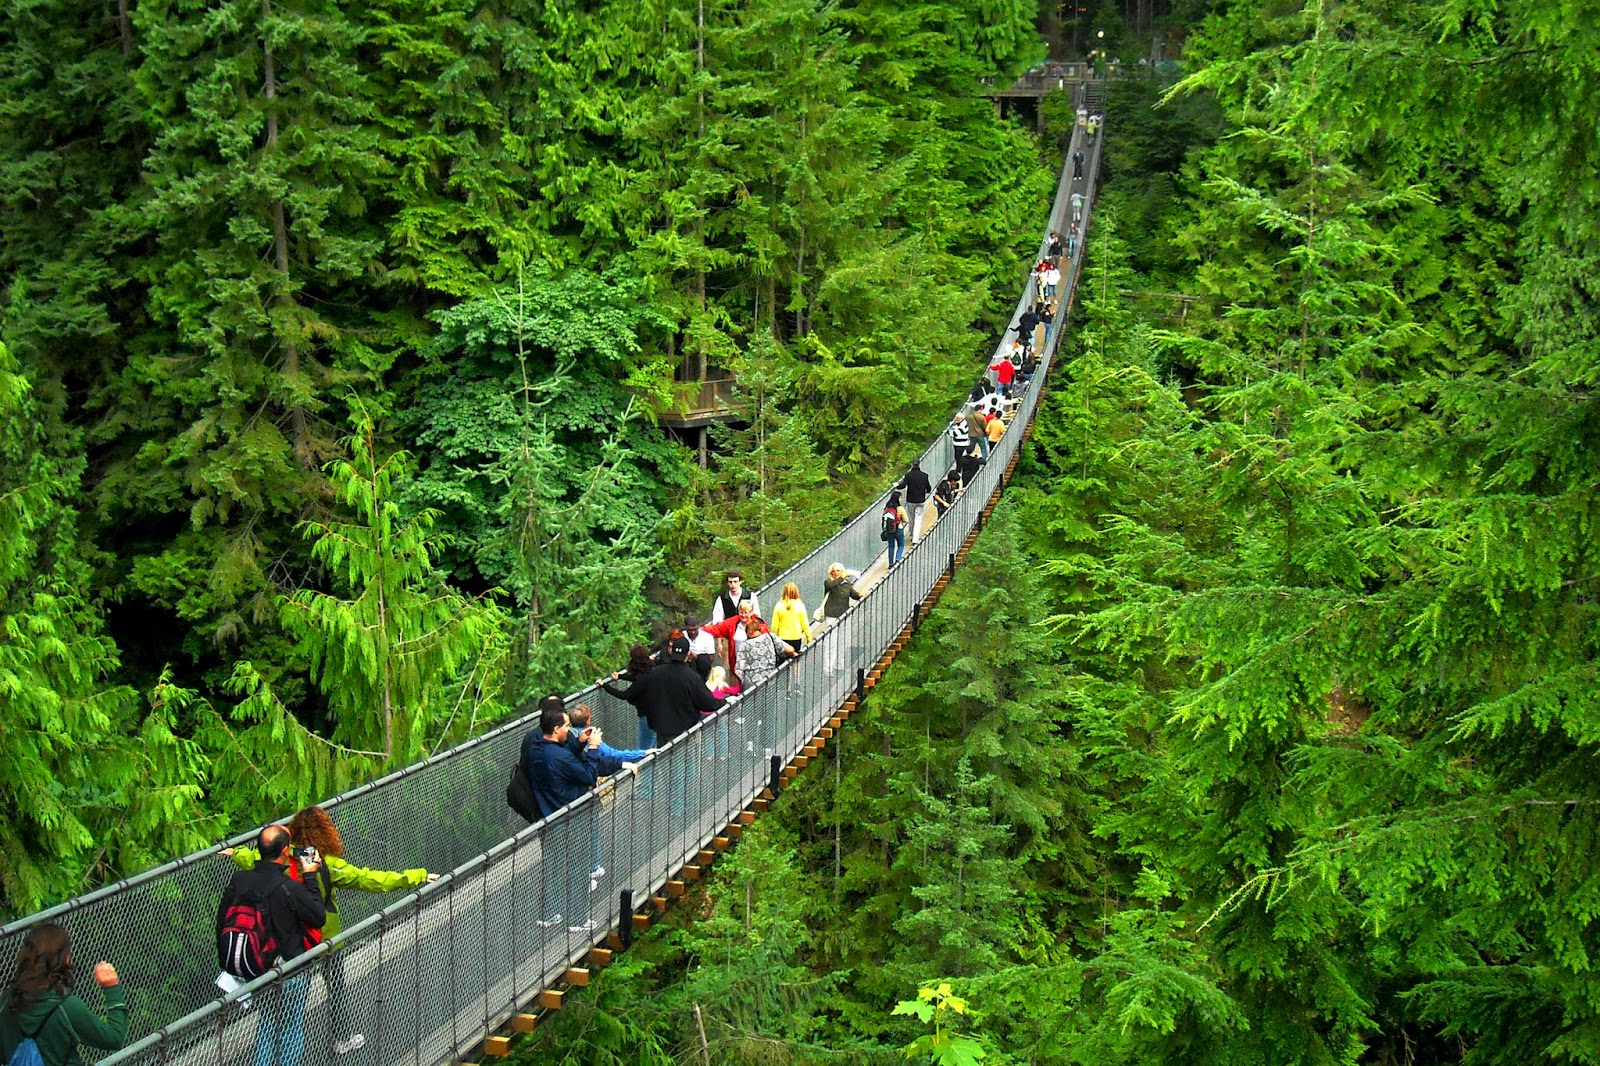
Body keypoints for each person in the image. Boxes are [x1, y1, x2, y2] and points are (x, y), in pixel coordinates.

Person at [223, 808, 437, 1056]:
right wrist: (417, 876)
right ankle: (341, 1038)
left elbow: (253, 858)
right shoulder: (327, 864)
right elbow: (370, 879)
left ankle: (270, 1054)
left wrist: (234, 852)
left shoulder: (283, 859)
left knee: (280, 1010)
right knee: (335, 988)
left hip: (290, 945)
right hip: (325, 940)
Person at [218, 825, 326, 1066]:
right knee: (291, 1029)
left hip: (255, 969)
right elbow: (318, 916)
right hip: (289, 969)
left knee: (267, 1025)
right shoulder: (288, 887)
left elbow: (222, 921)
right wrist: (310, 875)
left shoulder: (240, 880)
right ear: (286, 851)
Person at [523, 703, 605, 932]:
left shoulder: (536, 750)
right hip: (572, 817)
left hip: (548, 817)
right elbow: (588, 775)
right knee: (578, 868)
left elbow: (562, 759)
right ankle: (577, 920)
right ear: (557, 728)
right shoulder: (560, 758)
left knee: (552, 866)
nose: (570, 731)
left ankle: (549, 914)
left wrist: (578, 745)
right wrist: (594, 748)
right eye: (567, 727)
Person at [1, 925, 126, 1066]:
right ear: (65, 958)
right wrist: (111, 988)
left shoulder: (7, 1001)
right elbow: (114, 1038)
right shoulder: (68, 1007)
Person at [602, 635, 725, 745]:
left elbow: (637, 687)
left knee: (663, 760)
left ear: (671, 651)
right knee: (685, 765)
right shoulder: (692, 677)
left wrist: (618, 680)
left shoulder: (656, 673)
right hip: (684, 729)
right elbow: (708, 703)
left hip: (660, 726)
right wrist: (723, 702)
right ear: (688, 654)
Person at [600, 644, 658, 750]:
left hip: (648, 717)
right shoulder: (652, 670)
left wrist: (605, 685)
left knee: (644, 751)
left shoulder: (642, 678)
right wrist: (621, 676)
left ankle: (644, 767)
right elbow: (637, 679)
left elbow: (624, 695)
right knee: (652, 746)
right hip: (657, 714)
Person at [734, 615, 797, 690]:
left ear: (747, 633)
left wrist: (741, 685)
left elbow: (738, 669)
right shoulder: (770, 637)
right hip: (771, 680)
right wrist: (794, 654)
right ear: (760, 630)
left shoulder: (744, 645)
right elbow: (789, 650)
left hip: (752, 687)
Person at [770, 582, 814, 654]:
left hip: (783, 638)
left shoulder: (778, 606)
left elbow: (774, 626)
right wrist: (809, 637)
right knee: (796, 659)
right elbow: (805, 624)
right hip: (796, 637)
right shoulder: (800, 605)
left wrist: (773, 639)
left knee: (783, 662)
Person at [895, 461, 932, 544]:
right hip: (920, 500)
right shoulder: (924, 475)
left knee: (911, 519)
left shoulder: (908, 475)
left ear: (912, 465)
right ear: (919, 464)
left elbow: (903, 485)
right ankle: (915, 538)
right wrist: (925, 491)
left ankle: (911, 534)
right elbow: (929, 488)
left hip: (910, 500)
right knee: (918, 519)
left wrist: (896, 485)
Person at [682, 616, 718, 680]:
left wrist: (697, 657)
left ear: (698, 626)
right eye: (690, 630)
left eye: (695, 629)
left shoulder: (707, 637)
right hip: (684, 666)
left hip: (701, 669)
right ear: (685, 626)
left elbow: (711, 658)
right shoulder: (681, 635)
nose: (693, 632)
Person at [882, 492, 908, 567]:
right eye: (900, 498)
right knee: (901, 544)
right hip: (898, 529)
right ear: (897, 499)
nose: (901, 499)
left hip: (889, 530)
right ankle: (897, 559)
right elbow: (906, 520)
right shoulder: (900, 508)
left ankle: (890, 563)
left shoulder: (887, 507)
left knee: (891, 546)